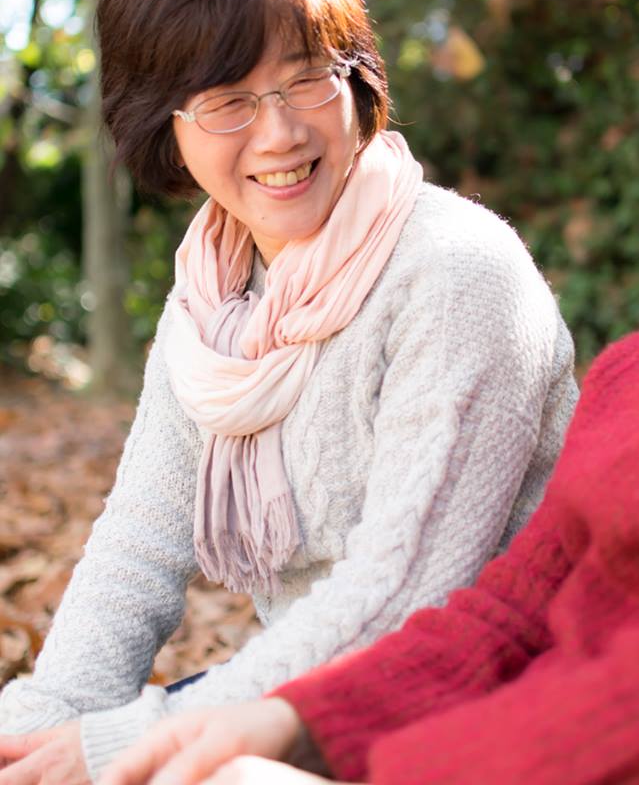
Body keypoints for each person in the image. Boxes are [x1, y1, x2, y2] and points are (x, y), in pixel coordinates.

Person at [0, 0, 577, 785]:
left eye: (307, 78)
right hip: (304, 709)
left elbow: (404, 599)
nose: (279, 134)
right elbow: (139, 546)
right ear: (165, 125)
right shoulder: (212, 295)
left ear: (356, 80)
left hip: (489, 712)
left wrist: (128, 742)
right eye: (226, 100)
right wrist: (45, 718)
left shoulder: (455, 271)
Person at [87, 327, 639, 785]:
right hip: (443, 729)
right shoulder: (625, 377)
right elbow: (509, 612)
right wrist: (301, 718)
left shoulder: (461, 278)